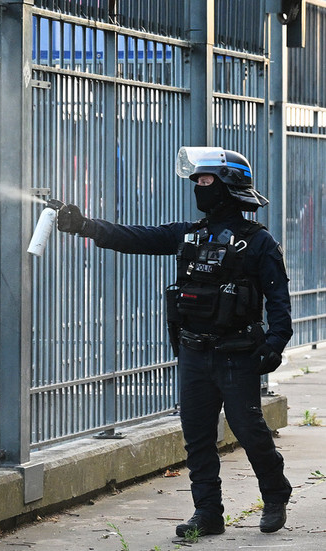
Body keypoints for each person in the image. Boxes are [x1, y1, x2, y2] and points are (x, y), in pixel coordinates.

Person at [56, 147, 292, 537]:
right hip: (194, 351)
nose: (197, 188)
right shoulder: (190, 234)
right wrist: (86, 226)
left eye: (204, 181)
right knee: (197, 435)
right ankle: (208, 513)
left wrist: (276, 342)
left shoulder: (257, 241)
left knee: (249, 429)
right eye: (196, 181)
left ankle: (274, 493)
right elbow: (137, 237)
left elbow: (278, 298)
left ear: (227, 185)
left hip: (236, 354)